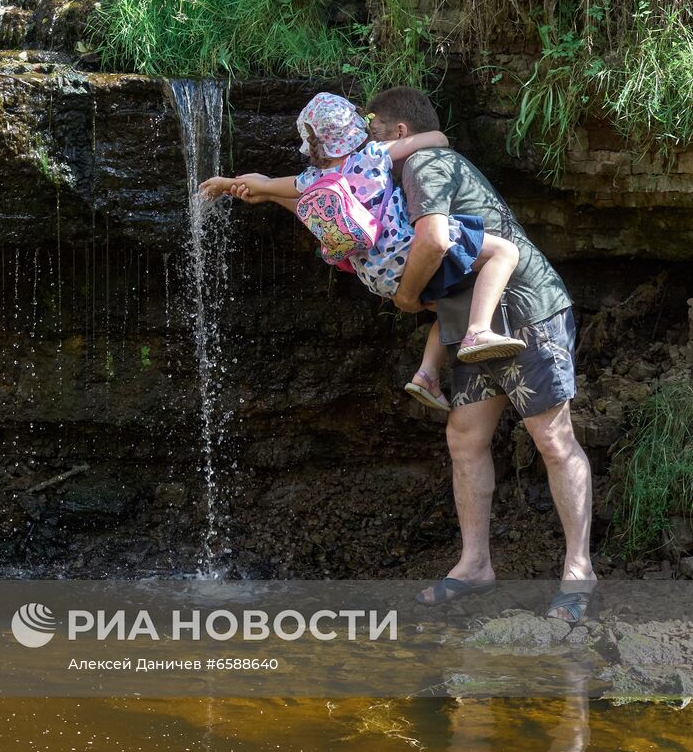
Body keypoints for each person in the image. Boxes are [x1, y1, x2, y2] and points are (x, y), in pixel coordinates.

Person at [365, 86, 595, 620]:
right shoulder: (402, 167)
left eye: (375, 135)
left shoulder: (423, 162)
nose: (368, 148)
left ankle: (579, 571)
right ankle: (475, 566)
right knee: (464, 438)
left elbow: (434, 240)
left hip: (525, 309)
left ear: (399, 133)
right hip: (469, 321)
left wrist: (403, 296)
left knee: (552, 438)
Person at [199, 92, 525, 412]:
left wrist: (226, 183)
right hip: (408, 251)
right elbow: (437, 139)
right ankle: (480, 331)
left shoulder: (310, 180)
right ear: (353, 131)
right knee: (505, 253)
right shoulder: (371, 156)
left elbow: (265, 184)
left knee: (451, 300)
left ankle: (426, 375)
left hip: (378, 277)